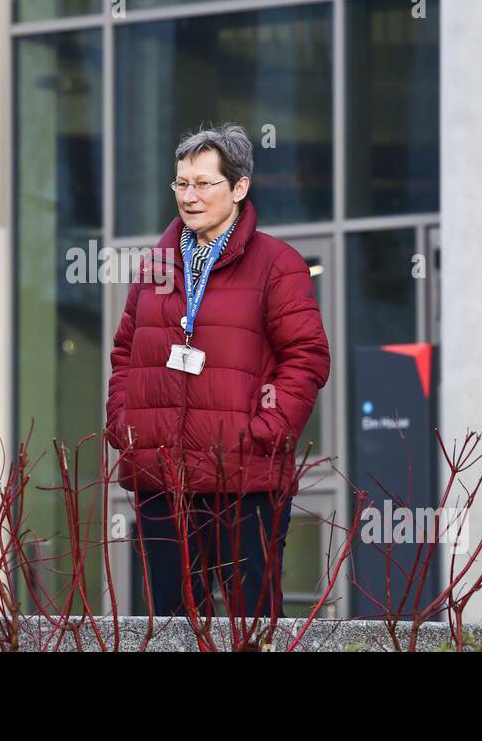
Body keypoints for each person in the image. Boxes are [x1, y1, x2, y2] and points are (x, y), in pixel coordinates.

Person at [106, 123, 330, 618]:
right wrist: (124, 423)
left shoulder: (277, 264)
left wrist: (266, 431)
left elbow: (307, 356)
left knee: (249, 624)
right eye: (182, 183)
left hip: (244, 476)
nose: (190, 195)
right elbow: (125, 352)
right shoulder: (154, 267)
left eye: (205, 183)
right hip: (160, 476)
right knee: (169, 623)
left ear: (239, 188)